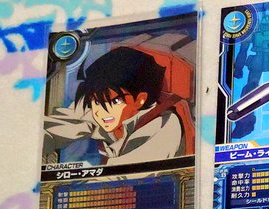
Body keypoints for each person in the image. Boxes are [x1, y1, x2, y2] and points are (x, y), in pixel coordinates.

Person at [44, 47, 184, 165]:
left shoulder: (163, 125)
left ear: (140, 99)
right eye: (96, 102)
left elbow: (123, 176)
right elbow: (49, 129)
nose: (101, 112)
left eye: (115, 102)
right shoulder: (95, 107)